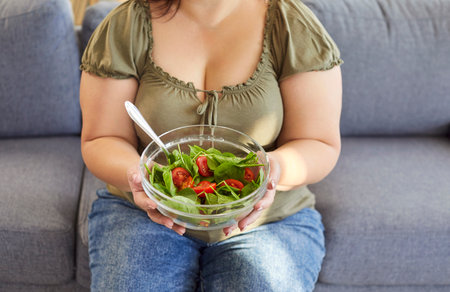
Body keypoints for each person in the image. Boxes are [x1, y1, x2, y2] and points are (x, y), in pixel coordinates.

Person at [80, 0, 343, 290]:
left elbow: (318, 142)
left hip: (269, 220)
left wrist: (273, 170)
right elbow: (102, 137)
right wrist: (139, 176)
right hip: (143, 214)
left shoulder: (293, 26)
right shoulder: (126, 24)